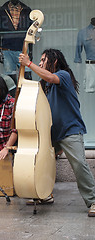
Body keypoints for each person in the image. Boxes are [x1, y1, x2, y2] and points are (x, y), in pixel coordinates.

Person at [19, 48, 95, 217]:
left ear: (53, 62)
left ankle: (93, 200)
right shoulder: (46, 85)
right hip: (52, 132)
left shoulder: (63, 75)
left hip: (70, 130)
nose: (40, 63)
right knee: (41, 163)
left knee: (79, 165)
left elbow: (50, 77)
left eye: (43, 60)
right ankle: (44, 194)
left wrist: (28, 63)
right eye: (38, 60)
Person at [0, 0, 33, 83]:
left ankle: (26, 94)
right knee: (10, 79)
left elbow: (30, 32)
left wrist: (31, 51)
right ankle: (13, 96)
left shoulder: (26, 10)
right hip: (7, 48)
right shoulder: (1, 10)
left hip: (23, 48)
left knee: (27, 76)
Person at [74, 17, 95, 93]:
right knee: (89, 91)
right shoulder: (83, 32)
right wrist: (78, 63)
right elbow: (78, 50)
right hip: (91, 66)